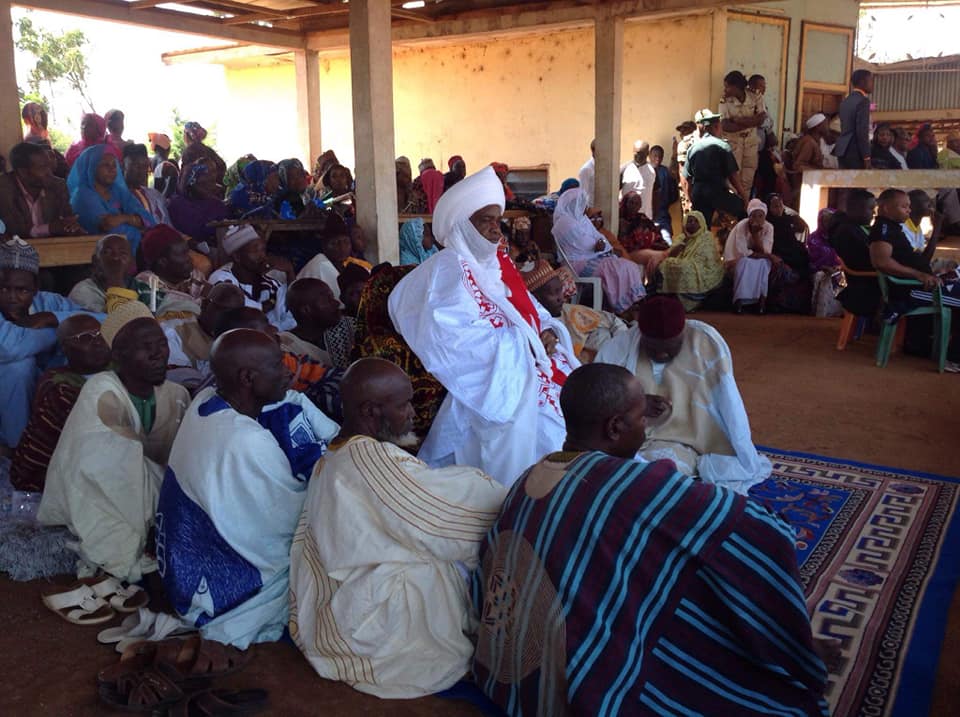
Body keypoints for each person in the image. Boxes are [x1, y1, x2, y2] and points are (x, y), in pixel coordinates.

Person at [471, 362, 827, 717]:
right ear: (615, 427)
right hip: (582, 689)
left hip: (511, 679)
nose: (646, 429)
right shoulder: (633, 487)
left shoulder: (528, 477)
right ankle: (774, 648)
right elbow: (763, 532)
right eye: (642, 419)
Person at [289, 358, 506, 697]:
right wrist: (511, 494)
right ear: (371, 411)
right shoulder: (367, 458)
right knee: (440, 556)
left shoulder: (339, 451)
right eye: (404, 404)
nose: (413, 413)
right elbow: (439, 518)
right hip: (370, 630)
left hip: (336, 603)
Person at [389, 166, 579, 487]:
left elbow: (531, 310)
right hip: (494, 379)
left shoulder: (496, 264)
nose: (496, 230)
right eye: (485, 221)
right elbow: (453, 338)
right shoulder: (448, 269)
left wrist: (544, 331)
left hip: (529, 363)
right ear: (463, 225)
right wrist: (526, 343)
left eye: (497, 221)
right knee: (548, 438)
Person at [157, 328, 337, 648]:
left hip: (183, 568)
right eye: (277, 366)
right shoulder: (246, 439)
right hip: (221, 586)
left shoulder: (207, 402)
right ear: (247, 378)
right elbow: (295, 518)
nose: (287, 372)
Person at [38, 301, 189, 582]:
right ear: (118, 355)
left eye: (161, 343)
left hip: (155, 492)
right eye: (146, 347)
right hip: (98, 492)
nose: (159, 354)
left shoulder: (177, 394)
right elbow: (107, 467)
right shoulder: (101, 389)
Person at [596, 295, 770, 490]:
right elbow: (598, 398)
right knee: (614, 473)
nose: (661, 355)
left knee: (657, 479)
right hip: (634, 441)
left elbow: (728, 404)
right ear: (640, 334)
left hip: (688, 443)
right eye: (653, 348)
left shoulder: (705, 344)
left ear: (683, 333)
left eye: (670, 348)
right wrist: (636, 402)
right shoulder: (619, 348)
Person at [0, 239, 88, 450]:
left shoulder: (51, 304)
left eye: (22, 290)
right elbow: (9, 347)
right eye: (3, 289)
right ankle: (19, 446)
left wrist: (51, 317)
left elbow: (99, 321)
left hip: (42, 391)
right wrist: (60, 330)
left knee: (86, 351)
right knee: (18, 367)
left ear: (36, 288)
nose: (12, 297)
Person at [10, 314, 111, 492]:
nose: (98, 342)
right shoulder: (56, 386)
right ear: (65, 348)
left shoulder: (118, 369)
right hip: (56, 473)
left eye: (101, 334)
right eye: (86, 338)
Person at [552, 187, 646, 312]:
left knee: (628, 265)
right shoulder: (564, 223)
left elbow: (599, 237)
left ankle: (631, 302)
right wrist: (599, 246)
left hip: (591, 257)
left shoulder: (581, 219)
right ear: (575, 203)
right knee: (620, 268)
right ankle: (625, 306)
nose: (586, 208)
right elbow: (586, 245)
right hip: (577, 264)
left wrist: (601, 244)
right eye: (583, 204)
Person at [522, 259, 628, 363]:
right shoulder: (533, 328)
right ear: (534, 299)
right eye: (553, 293)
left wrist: (621, 349)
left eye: (560, 290)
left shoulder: (569, 311)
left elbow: (613, 321)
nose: (561, 298)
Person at [68, 144, 155, 257]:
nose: (112, 170)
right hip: (94, 258)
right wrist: (136, 223)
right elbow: (109, 227)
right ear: (92, 167)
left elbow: (148, 219)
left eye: (114, 165)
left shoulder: (117, 191)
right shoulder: (82, 195)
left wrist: (123, 218)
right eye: (105, 165)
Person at [209, 224, 295, 330]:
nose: (262, 256)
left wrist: (290, 272)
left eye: (263, 250)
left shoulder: (271, 283)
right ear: (237, 257)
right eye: (255, 251)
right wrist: (262, 307)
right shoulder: (221, 279)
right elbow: (235, 310)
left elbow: (291, 318)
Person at [163, 281, 245, 391]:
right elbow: (178, 380)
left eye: (237, 315)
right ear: (206, 304)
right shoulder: (174, 331)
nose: (231, 319)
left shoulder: (237, 338)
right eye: (226, 312)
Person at [0, 142, 82, 239]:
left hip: (51, 249)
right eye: (42, 168)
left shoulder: (57, 185)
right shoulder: (4, 189)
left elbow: (67, 218)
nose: (49, 173)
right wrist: (50, 228)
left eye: (49, 166)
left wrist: (70, 226)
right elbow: (14, 231)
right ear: (23, 172)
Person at [684, 108, 748, 226]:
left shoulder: (692, 148)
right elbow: (733, 176)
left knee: (702, 229)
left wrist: (690, 200)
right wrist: (744, 197)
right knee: (743, 212)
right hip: (717, 193)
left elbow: (687, 180)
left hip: (699, 195)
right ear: (716, 127)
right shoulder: (723, 146)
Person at [657, 210, 725, 310]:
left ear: (701, 223)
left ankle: (689, 302)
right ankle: (670, 298)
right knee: (664, 264)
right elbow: (671, 255)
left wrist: (686, 263)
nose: (692, 223)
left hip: (704, 270)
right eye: (689, 221)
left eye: (695, 221)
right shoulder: (682, 237)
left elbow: (705, 260)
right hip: (686, 263)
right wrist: (686, 240)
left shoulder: (706, 237)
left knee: (684, 267)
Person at [135, 224, 208, 315]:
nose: (189, 259)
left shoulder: (192, 276)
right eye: (183, 254)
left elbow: (209, 296)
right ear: (163, 261)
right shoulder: (145, 283)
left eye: (187, 252)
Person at [829, 189, 881, 316]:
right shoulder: (848, 232)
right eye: (871, 208)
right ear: (857, 208)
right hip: (859, 288)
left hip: (860, 282)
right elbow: (868, 262)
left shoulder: (852, 228)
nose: (874, 213)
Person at [723, 198, 776, 312]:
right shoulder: (742, 226)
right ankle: (740, 302)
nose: (757, 219)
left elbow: (766, 251)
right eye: (753, 216)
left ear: (765, 217)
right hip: (736, 258)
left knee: (764, 263)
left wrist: (755, 235)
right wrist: (769, 256)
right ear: (749, 216)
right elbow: (742, 252)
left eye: (760, 216)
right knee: (745, 263)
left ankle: (761, 303)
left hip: (759, 258)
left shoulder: (769, 227)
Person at [281, 278, 348, 367]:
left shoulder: (348, 328)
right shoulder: (287, 347)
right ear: (306, 310)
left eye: (332, 297)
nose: (337, 303)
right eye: (327, 300)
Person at [719, 70, 765, 195]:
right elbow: (725, 126)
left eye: (728, 87)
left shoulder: (755, 96)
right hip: (734, 144)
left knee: (748, 180)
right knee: (732, 180)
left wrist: (739, 121)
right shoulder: (725, 101)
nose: (725, 90)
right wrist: (751, 122)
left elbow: (761, 119)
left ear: (736, 87)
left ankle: (745, 208)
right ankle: (733, 210)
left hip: (750, 143)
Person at [167, 160, 229, 251]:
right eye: (202, 184)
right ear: (190, 184)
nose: (209, 187)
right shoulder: (177, 206)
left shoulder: (217, 205)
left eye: (211, 182)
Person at [766, 194, 812, 314]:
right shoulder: (767, 223)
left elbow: (803, 229)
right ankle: (777, 305)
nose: (778, 209)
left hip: (793, 256)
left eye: (780, 206)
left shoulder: (789, 219)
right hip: (776, 256)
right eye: (775, 206)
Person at [67, 234, 136, 312]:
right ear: (95, 261)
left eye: (123, 253)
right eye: (107, 252)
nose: (116, 258)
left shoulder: (140, 286)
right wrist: (116, 278)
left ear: (132, 263)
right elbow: (117, 319)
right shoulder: (82, 291)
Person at [618, 191, 669, 274]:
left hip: (646, 249)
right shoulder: (621, 220)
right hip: (629, 252)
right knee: (659, 256)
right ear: (625, 203)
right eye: (631, 202)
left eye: (637, 204)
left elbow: (656, 235)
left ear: (640, 206)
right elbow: (625, 243)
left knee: (666, 255)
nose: (634, 206)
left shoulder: (642, 218)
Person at [123, 143, 171, 226]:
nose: (141, 170)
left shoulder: (155, 195)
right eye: (136, 165)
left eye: (144, 165)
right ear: (123, 166)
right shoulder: (117, 196)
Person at [834, 70, 874, 169]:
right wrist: (866, 157)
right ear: (863, 82)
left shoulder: (846, 101)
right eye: (871, 81)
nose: (872, 84)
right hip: (856, 152)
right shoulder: (863, 101)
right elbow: (862, 131)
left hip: (842, 150)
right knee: (858, 183)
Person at [179, 121, 226, 189]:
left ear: (187, 135)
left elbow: (185, 177)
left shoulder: (189, 151)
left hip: (198, 192)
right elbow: (222, 166)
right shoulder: (208, 150)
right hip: (217, 189)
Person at [620, 140, 656, 221]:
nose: (639, 156)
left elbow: (656, 193)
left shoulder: (652, 170)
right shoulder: (624, 169)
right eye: (636, 153)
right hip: (627, 218)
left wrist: (653, 216)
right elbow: (614, 192)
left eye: (642, 153)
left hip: (645, 218)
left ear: (647, 153)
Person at [649, 144, 678, 242]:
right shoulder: (644, 171)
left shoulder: (666, 173)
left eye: (660, 156)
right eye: (655, 156)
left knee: (667, 242)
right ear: (649, 156)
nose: (657, 159)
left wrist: (664, 204)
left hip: (662, 214)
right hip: (646, 214)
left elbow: (674, 195)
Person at [790, 113, 828, 179]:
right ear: (818, 126)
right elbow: (798, 166)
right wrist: (820, 172)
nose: (827, 127)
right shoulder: (809, 142)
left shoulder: (815, 141)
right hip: (806, 183)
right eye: (825, 124)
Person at [675, 120, 700, 212]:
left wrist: (687, 197)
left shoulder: (684, 144)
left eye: (685, 129)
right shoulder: (701, 142)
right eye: (681, 130)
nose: (681, 133)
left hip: (689, 189)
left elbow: (683, 173)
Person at [903, 189, 936, 254]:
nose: (930, 205)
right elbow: (921, 259)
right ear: (911, 207)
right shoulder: (903, 228)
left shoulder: (917, 227)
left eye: (930, 201)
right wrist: (937, 227)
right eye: (926, 201)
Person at [578, 139, 596, 206]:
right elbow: (583, 194)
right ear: (594, 152)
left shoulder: (605, 166)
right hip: (591, 210)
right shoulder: (586, 169)